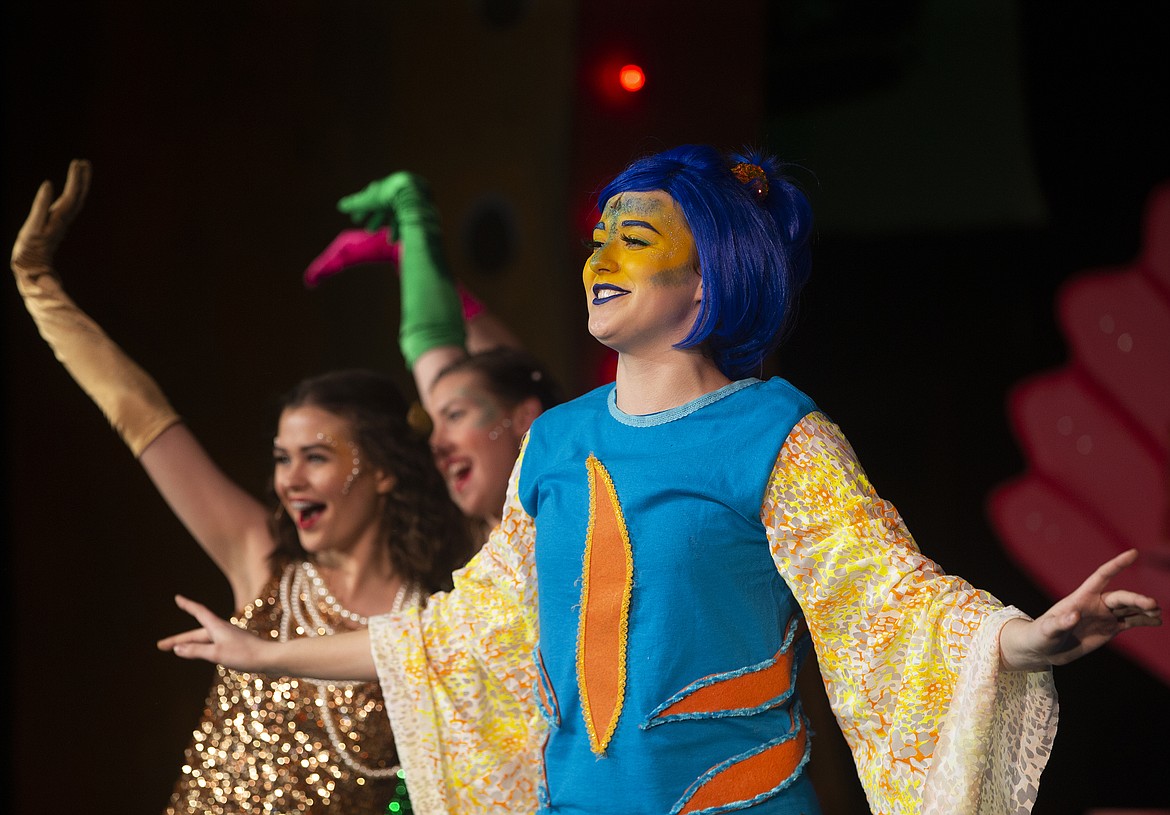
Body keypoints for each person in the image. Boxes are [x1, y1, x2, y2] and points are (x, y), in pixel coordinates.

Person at [158, 145, 1162, 815]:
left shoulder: (775, 431)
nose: (600, 252)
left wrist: (1021, 638)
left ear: (709, 273)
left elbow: (887, 598)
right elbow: (460, 638)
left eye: (633, 237)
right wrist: (267, 652)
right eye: (599, 233)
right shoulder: (554, 443)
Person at [11, 159, 475, 814]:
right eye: (282, 457)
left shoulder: (430, 618)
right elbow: (142, 415)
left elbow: (471, 387)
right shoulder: (263, 561)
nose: (289, 479)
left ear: (384, 468)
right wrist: (39, 289)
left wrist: (418, 243)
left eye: (315, 456)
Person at [306, 170, 564, 539]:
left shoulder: (568, 505)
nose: (436, 444)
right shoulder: (491, 536)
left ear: (524, 416)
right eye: (437, 424)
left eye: (454, 418)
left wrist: (413, 227)